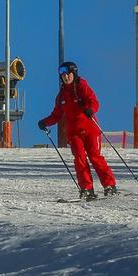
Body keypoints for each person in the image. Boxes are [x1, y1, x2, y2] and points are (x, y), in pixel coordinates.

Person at [37, 61, 117, 201]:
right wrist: (45, 122)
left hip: (90, 129)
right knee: (79, 159)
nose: (65, 77)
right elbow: (56, 115)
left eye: (68, 74)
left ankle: (109, 185)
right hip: (74, 133)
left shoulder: (82, 87)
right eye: (63, 75)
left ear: (74, 73)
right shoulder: (61, 95)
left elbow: (94, 101)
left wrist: (90, 109)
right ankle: (86, 189)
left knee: (95, 157)